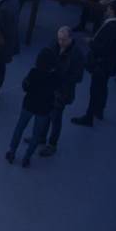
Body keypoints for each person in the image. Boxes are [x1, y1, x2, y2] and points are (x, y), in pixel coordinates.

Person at [72, 2, 116, 126]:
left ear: (112, 11)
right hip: (109, 63)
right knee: (102, 87)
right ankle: (99, 110)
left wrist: (91, 43)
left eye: (108, 8)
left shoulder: (110, 26)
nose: (106, 10)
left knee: (95, 89)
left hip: (101, 63)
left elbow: (103, 47)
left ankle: (89, 116)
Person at [5, 49, 60, 167]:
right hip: (44, 109)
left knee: (20, 128)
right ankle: (27, 157)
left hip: (29, 105)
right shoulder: (54, 77)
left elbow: (26, 87)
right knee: (36, 134)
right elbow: (55, 93)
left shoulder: (33, 72)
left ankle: (12, 151)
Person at [40, 26, 84, 156]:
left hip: (62, 92)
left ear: (70, 38)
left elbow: (78, 77)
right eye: (59, 39)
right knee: (45, 113)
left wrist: (60, 76)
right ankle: (41, 138)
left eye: (63, 40)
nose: (60, 42)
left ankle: (52, 144)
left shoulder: (77, 55)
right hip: (50, 88)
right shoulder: (54, 44)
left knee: (55, 118)